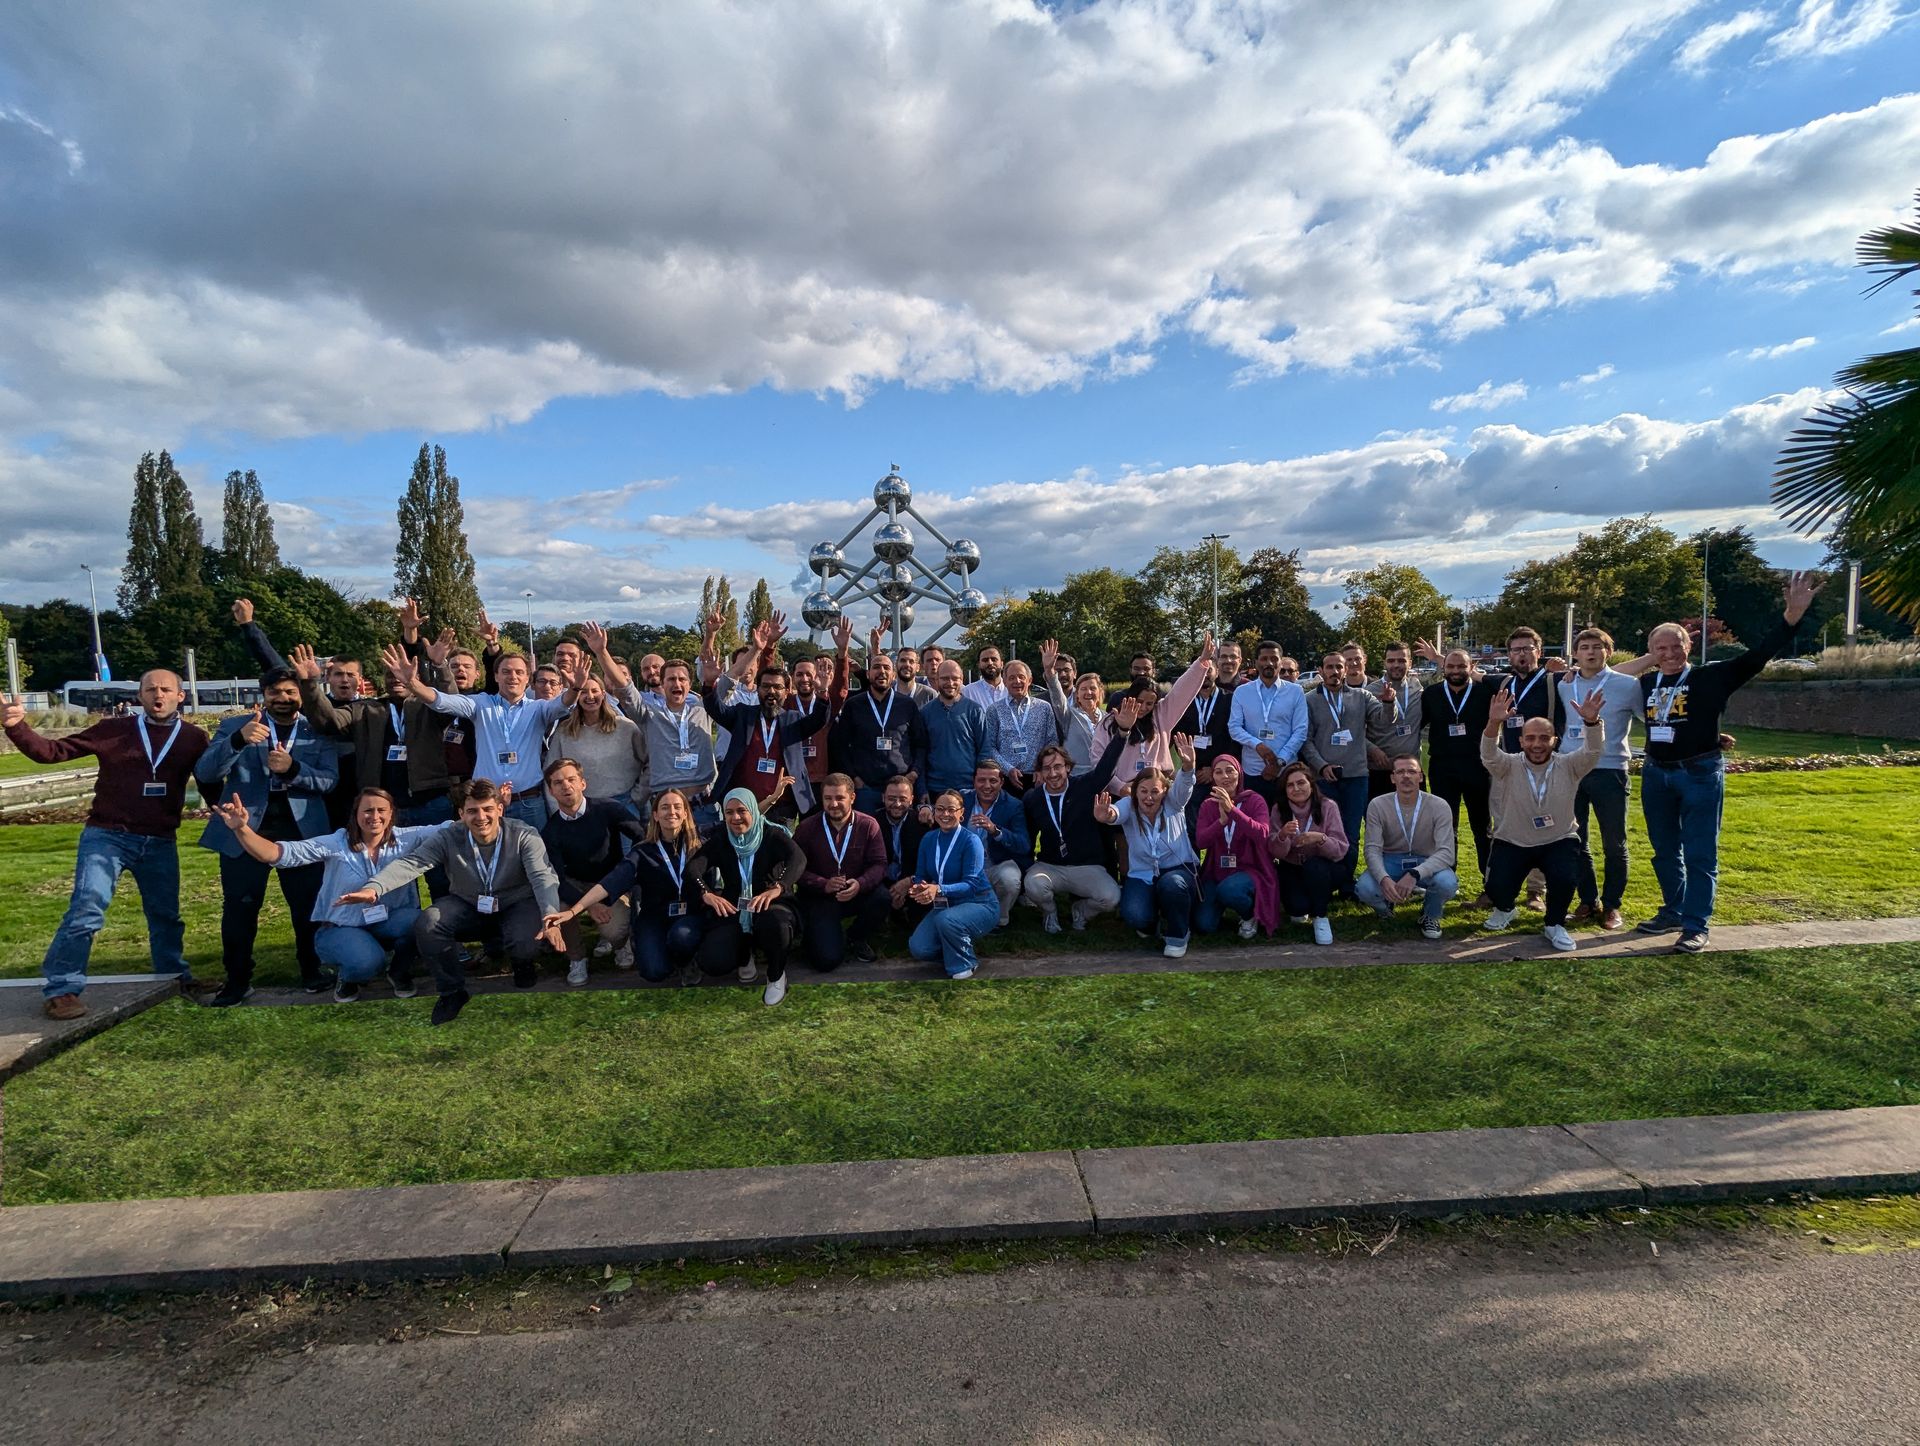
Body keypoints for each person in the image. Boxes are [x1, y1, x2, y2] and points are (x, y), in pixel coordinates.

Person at [4, 672, 211, 1019]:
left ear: (180, 696)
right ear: (140, 696)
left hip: (160, 840)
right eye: (150, 689)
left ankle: (174, 977)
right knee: (87, 909)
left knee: (166, 917)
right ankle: (63, 989)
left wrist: (227, 811)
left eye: (165, 690)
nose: (158, 695)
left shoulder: (193, 738)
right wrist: (16, 726)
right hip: (107, 836)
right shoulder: (113, 730)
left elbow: (210, 780)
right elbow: (51, 752)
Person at [1636, 573, 1817, 952]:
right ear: (1651, 651)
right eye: (1659, 648)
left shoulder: (1713, 676)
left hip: (1699, 774)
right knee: (1665, 849)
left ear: (1688, 645)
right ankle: (1674, 909)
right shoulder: (1646, 683)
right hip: (1656, 773)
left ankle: (1696, 924)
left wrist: (1791, 616)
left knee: (1701, 851)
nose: (1668, 654)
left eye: (1674, 647)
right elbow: (1605, 677)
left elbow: (1759, 655)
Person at [342, 777, 561, 1023]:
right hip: (468, 903)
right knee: (430, 922)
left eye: (488, 809)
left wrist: (550, 915)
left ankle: (523, 963)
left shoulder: (523, 834)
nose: (481, 817)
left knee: (525, 941)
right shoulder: (449, 836)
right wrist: (375, 888)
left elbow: (542, 876)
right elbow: (413, 862)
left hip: (515, 903)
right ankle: (452, 991)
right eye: (472, 811)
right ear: (461, 813)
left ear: (500, 809)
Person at [210, 786, 442, 1001]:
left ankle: (399, 971)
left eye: (382, 810)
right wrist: (242, 829)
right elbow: (277, 853)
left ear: (392, 813)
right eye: (367, 810)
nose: (375, 816)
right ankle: (349, 977)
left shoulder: (407, 838)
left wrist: (477, 814)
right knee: (367, 962)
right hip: (343, 927)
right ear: (356, 814)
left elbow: (451, 829)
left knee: (423, 921)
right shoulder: (337, 842)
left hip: (388, 921)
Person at [196, 672, 342, 1003]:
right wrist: (238, 742)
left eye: (290, 691)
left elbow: (329, 781)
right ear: (263, 694)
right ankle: (237, 979)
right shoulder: (237, 726)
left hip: (302, 828)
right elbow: (205, 773)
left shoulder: (317, 728)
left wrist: (293, 770)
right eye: (274, 691)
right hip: (245, 826)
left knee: (307, 906)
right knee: (240, 908)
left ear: (301, 696)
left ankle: (312, 970)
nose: (282, 697)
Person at [385, 643, 577, 827]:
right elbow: (441, 701)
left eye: (519, 672)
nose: (513, 677)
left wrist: (577, 687)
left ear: (528, 679)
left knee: (534, 857)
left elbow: (563, 703)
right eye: (506, 672)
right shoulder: (480, 704)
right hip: (486, 805)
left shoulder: (539, 709)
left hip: (528, 803)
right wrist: (412, 683)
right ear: (495, 676)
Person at [1479, 683, 1609, 950]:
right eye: (1530, 738)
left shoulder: (1570, 764)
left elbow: (1593, 751)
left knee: (1565, 879)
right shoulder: (1508, 765)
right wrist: (1494, 722)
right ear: (1521, 740)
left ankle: (1554, 924)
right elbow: (1488, 753)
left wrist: (1592, 723)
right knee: (1496, 887)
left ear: (1554, 741)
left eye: (1543, 738)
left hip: (1558, 839)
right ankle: (1505, 909)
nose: (1537, 744)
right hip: (1512, 840)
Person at [547, 788, 706, 985]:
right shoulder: (642, 852)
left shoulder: (699, 845)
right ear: (655, 815)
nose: (671, 812)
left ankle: (687, 960)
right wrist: (574, 911)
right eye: (664, 807)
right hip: (655, 918)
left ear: (685, 813)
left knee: (681, 937)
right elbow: (608, 883)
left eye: (677, 807)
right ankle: (660, 950)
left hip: (690, 916)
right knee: (654, 972)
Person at [291, 641, 457, 829]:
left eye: (401, 674)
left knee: (436, 858)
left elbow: (451, 705)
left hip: (430, 803)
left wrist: (440, 665)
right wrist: (310, 684)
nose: (396, 679)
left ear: (416, 677)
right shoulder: (365, 709)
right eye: (390, 674)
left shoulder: (429, 707)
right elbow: (328, 722)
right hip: (381, 808)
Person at [1021, 703, 1137, 931]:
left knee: (1110, 898)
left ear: (1068, 768)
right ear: (1040, 773)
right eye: (1046, 769)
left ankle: (1080, 911)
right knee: (1033, 885)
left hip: (1086, 866)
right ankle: (1050, 912)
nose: (1053, 773)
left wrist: (1122, 733)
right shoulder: (1033, 799)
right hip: (1050, 865)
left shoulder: (1084, 787)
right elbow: (1028, 836)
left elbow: (1105, 768)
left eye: (1058, 767)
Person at [688, 788, 807, 1005]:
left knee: (775, 924)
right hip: (735, 907)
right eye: (729, 812)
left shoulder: (772, 834)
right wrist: (706, 893)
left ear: (753, 810)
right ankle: (745, 954)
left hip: (772, 903)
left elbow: (798, 859)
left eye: (742, 811)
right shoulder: (722, 838)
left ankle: (776, 975)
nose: (735, 817)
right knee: (712, 961)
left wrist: (778, 887)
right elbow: (694, 868)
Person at [1558, 627, 1641, 931]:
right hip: (1572, 768)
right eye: (1584, 647)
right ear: (1576, 654)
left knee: (1614, 843)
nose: (1590, 652)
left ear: (1608, 651)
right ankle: (1588, 900)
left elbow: (1656, 716)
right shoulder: (1565, 685)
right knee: (1575, 840)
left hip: (1610, 770)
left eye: (1597, 647)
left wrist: (1707, 735)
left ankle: (1612, 905)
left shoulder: (1628, 685)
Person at [539, 758, 646, 983]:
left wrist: (626, 872)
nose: (566, 786)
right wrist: (589, 903)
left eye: (571, 780)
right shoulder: (551, 831)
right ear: (551, 790)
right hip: (575, 884)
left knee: (614, 931)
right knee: (558, 909)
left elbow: (642, 836)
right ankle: (577, 959)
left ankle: (620, 944)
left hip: (610, 882)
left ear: (583, 784)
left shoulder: (608, 808)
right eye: (558, 783)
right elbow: (558, 876)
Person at [1097, 734, 1200, 957]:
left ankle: (1178, 935)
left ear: (1165, 791)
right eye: (1143, 791)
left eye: (1155, 791)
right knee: (1134, 914)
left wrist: (1188, 767)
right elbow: (1116, 814)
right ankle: (1155, 920)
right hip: (1143, 874)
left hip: (1177, 871)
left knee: (1172, 885)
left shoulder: (1174, 802)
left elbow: (1184, 787)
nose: (1149, 797)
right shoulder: (1129, 804)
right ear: (1136, 793)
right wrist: (1107, 815)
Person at [1299, 652, 1391, 898]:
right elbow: (1305, 741)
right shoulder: (1309, 700)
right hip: (1323, 778)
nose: (1335, 671)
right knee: (1325, 832)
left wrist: (1389, 703)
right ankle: (1326, 881)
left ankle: (1346, 882)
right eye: (1329, 667)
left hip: (1356, 777)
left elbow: (1382, 720)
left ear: (1346, 668)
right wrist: (1320, 766)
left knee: (1350, 833)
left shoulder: (1362, 696)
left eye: (1339, 666)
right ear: (1321, 670)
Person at [1417, 641, 1496, 902]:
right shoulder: (1431, 694)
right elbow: (1417, 724)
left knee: (1482, 827)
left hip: (1478, 768)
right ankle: (1446, 880)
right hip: (1443, 769)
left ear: (1471, 667)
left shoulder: (1486, 693)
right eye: (1450, 665)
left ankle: (1490, 883)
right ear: (1443, 668)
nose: (1455, 670)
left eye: (1461, 665)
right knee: (1445, 828)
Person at [708, 664, 828, 823]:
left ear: (786, 692)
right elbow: (716, 709)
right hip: (743, 804)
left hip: (782, 807)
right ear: (758, 689)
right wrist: (709, 685)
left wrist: (822, 692)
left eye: (777, 687)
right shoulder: (743, 715)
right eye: (765, 686)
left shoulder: (793, 719)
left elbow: (819, 720)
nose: (771, 691)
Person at [1356, 756, 1459, 940]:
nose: (1406, 776)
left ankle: (1430, 915)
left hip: (1426, 861)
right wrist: (1384, 879)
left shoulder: (1439, 805)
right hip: (1392, 860)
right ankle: (1385, 908)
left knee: (1447, 883)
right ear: (1392, 778)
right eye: (1400, 772)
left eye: (1412, 771)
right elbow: (1372, 849)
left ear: (1420, 777)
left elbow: (1446, 853)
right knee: (1364, 888)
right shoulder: (1377, 805)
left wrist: (1415, 874)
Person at [792, 773, 890, 966]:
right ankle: (817, 936)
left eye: (839, 798)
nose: (833, 804)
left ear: (852, 798)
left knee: (882, 898)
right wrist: (822, 884)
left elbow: (879, 864)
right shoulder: (807, 827)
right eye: (828, 798)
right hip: (820, 897)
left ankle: (856, 936)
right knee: (826, 961)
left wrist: (860, 884)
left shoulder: (868, 825)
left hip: (855, 893)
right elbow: (795, 870)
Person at [907, 790, 1000, 980]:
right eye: (940, 809)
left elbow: (971, 885)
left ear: (961, 813)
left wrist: (938, 889)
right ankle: (956, 948)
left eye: (951, 809)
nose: (945, 814)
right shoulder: (928, 839)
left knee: (947, 920)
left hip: (980, 903)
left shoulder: (971, 841)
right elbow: (921, 874)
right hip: (948, 905)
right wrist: (919, 887)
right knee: (919, 948)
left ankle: (966, 962)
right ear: (934, 812)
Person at [1193, 753, 1277, 940]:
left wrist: (1232, 811)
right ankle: (1226, 905)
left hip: (1249, 869)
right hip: (1217, 871)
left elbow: (1262, 834)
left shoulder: (1254, 800)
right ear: (1213, 777)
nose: (1225, 777)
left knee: (1229, 890)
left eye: (1230, 771)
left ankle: (1249, 915)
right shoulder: (1208, 805)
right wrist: (1221, 822)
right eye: (1218, 772)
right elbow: (1201, 841)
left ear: (1239, 774)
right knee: (1204, 924)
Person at [1107, 634, 1215, 780]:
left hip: (1157, 786)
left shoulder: (1162, 714)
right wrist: (1121, 788)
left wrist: (1201, 662)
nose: (1144, 707)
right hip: (1123, 791)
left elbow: (1182, 691)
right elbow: (1100, 761)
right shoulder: (1110, 720)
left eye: (1150, 703)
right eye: (1138, 701)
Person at [833, 647, 928, 813]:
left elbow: (921, 744)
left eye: (886, 668)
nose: (881, 671)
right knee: (866, 836)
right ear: (868, 674)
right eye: (876, 667)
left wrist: (914, 773)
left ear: (893, 675)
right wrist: (855, 779)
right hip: (865, 789)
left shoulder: (907, 705)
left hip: (900, 788)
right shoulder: (853, 705)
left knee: (900, 837)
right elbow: (839, 745)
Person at [542, 671, 649, 818]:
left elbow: (651, 763)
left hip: (624, 804)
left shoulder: (626, 727)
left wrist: (638, 795)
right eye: (584, 692)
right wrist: (558, 811)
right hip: (582, 808)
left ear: (603, 694)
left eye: (594, 691)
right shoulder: (565, 731)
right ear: (576, 697)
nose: (590, 696)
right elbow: (550, 771)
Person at [1267, 761, 1346, 944]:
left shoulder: (1328, 806)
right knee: (1297, 908)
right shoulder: (1279, 809)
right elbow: (1276, 853)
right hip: (1292, 866)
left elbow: (1340, 849)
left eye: (1301, 783)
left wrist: (1321, 839)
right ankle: (1307, 902)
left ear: (1311, 784)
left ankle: (1321, 917)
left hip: (1323, 866)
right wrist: (1282, 836)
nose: (1296, 788)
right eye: (1290, 785)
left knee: (1315, 867)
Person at [1226, 639, 1308, 805]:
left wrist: (1279, 761)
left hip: (1286, 771)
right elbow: (1234, 727)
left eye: (1274, 659)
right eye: (1264, 659)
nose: (1269, 663)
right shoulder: (1242, 692)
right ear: (1256, 662)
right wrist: (1258, 745)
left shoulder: (1295, 691)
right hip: (1253, 770)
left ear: (1280, 661)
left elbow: (1301, 730)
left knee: (1287, 824)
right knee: (1257, 823)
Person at [961, 759, 1031, 929]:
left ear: (1002, 782)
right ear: (974, 782)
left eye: (993, 781)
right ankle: (966, 918)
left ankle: (999, 920)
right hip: (966, 866)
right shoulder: (962, 799)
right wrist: (924, 809)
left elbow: (1024, 845)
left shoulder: (1014, 805)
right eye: (981, 780)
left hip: (997, 863)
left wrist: (995, 831)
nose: (987, 786)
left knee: (1010, 879)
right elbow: (940, 810)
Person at [985, 657, 1060, 795]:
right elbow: (989, 747)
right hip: (1006, 778)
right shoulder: (994, 710)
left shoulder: (1044, 708)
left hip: (1038, 778)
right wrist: (1008, 769)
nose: (1017, 681)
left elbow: (1052, 741)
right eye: (1012, 678)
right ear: (1005, 682)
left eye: (1021, 677)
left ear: (1029, 680)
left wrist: (1042, 768)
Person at [919, 660, 991, 799]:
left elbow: (984, 750)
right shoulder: (925, 713)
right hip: (935, 789)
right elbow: (921, 753)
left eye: (955, 678)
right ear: (937, 679)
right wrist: (922, 789)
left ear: (962, 679)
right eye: (945, 678)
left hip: (969, 789)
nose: (950, 683)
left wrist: (981, 782)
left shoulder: (974, 710)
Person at [1366, 641, 1423, 799]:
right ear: (1384, 662)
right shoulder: (1369, 692)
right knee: (1381, 821)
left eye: (1402, 660)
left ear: (1410, 663)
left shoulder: (1417, 688)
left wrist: (1437, 658)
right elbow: (1355, 729)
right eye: (1391, 661)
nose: (1396, 665)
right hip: (1380, 771)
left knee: (1416, 820)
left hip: (1411, 770)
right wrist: (1372, 749)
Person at [1172, 649, 1237, 786]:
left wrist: (1215, 767)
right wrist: (1190, 767)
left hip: (1222, 771)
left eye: (1208, 670)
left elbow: (1235, 738)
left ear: (1217, 672)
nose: (1203, 675)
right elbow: (1176, 735)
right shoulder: (1183, 701)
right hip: (1191, 771)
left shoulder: (1231, 699)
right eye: (1199, 671)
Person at [875, 773, 930, 923]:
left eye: (903, 799)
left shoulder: (924, 824)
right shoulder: (872, 823)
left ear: (912, 800)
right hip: (882, 882)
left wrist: (908, 883)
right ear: (883, 798)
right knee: (878, 899)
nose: (897, 804)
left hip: (912, 880)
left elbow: (929, 864)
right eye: (892, 798)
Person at [1045, 665, 1115, 777]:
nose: (1088, 692)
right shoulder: (1068, 715)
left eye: (1093, 688)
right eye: (1083, 689)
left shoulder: (1109, 718)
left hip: (1105, 778)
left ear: (1100, 692)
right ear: (1077, 695)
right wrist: (1049, 671)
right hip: (1077, 777)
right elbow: (1057, 697)